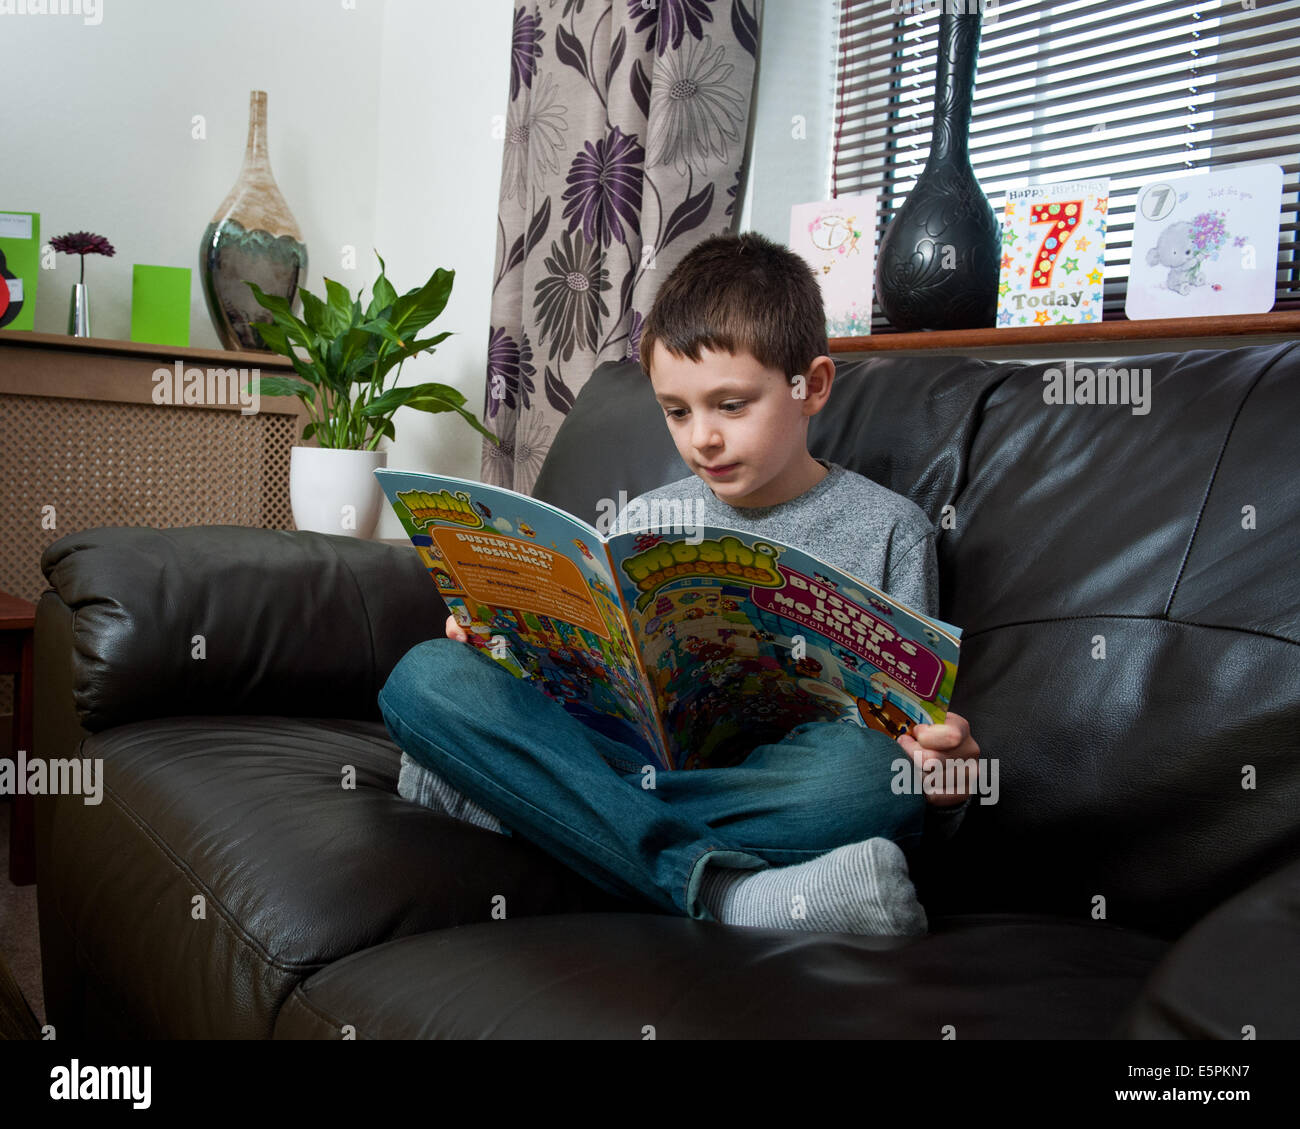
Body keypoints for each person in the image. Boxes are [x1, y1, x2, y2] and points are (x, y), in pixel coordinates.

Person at [378, 230, 981, 936]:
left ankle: (524, 805)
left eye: (731, 405)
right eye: (677, 410)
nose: (702, 438)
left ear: (811, 385)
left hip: (783, 785)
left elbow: (910, 735)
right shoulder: (645, 518)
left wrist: (944, 776)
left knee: (870, 780)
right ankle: (732, 894)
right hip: (630, 756)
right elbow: (579, 690)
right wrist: (503, 650)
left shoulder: (890, 530)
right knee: (427, 675)